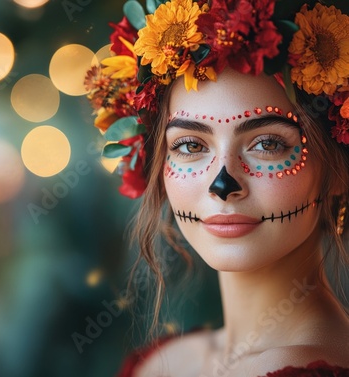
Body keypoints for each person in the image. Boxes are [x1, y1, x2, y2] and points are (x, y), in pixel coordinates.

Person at [85, 0, 349, 375]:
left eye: (268, 144)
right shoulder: (164, 362)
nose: (222, 185)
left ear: (338, 172)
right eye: (190, 145)